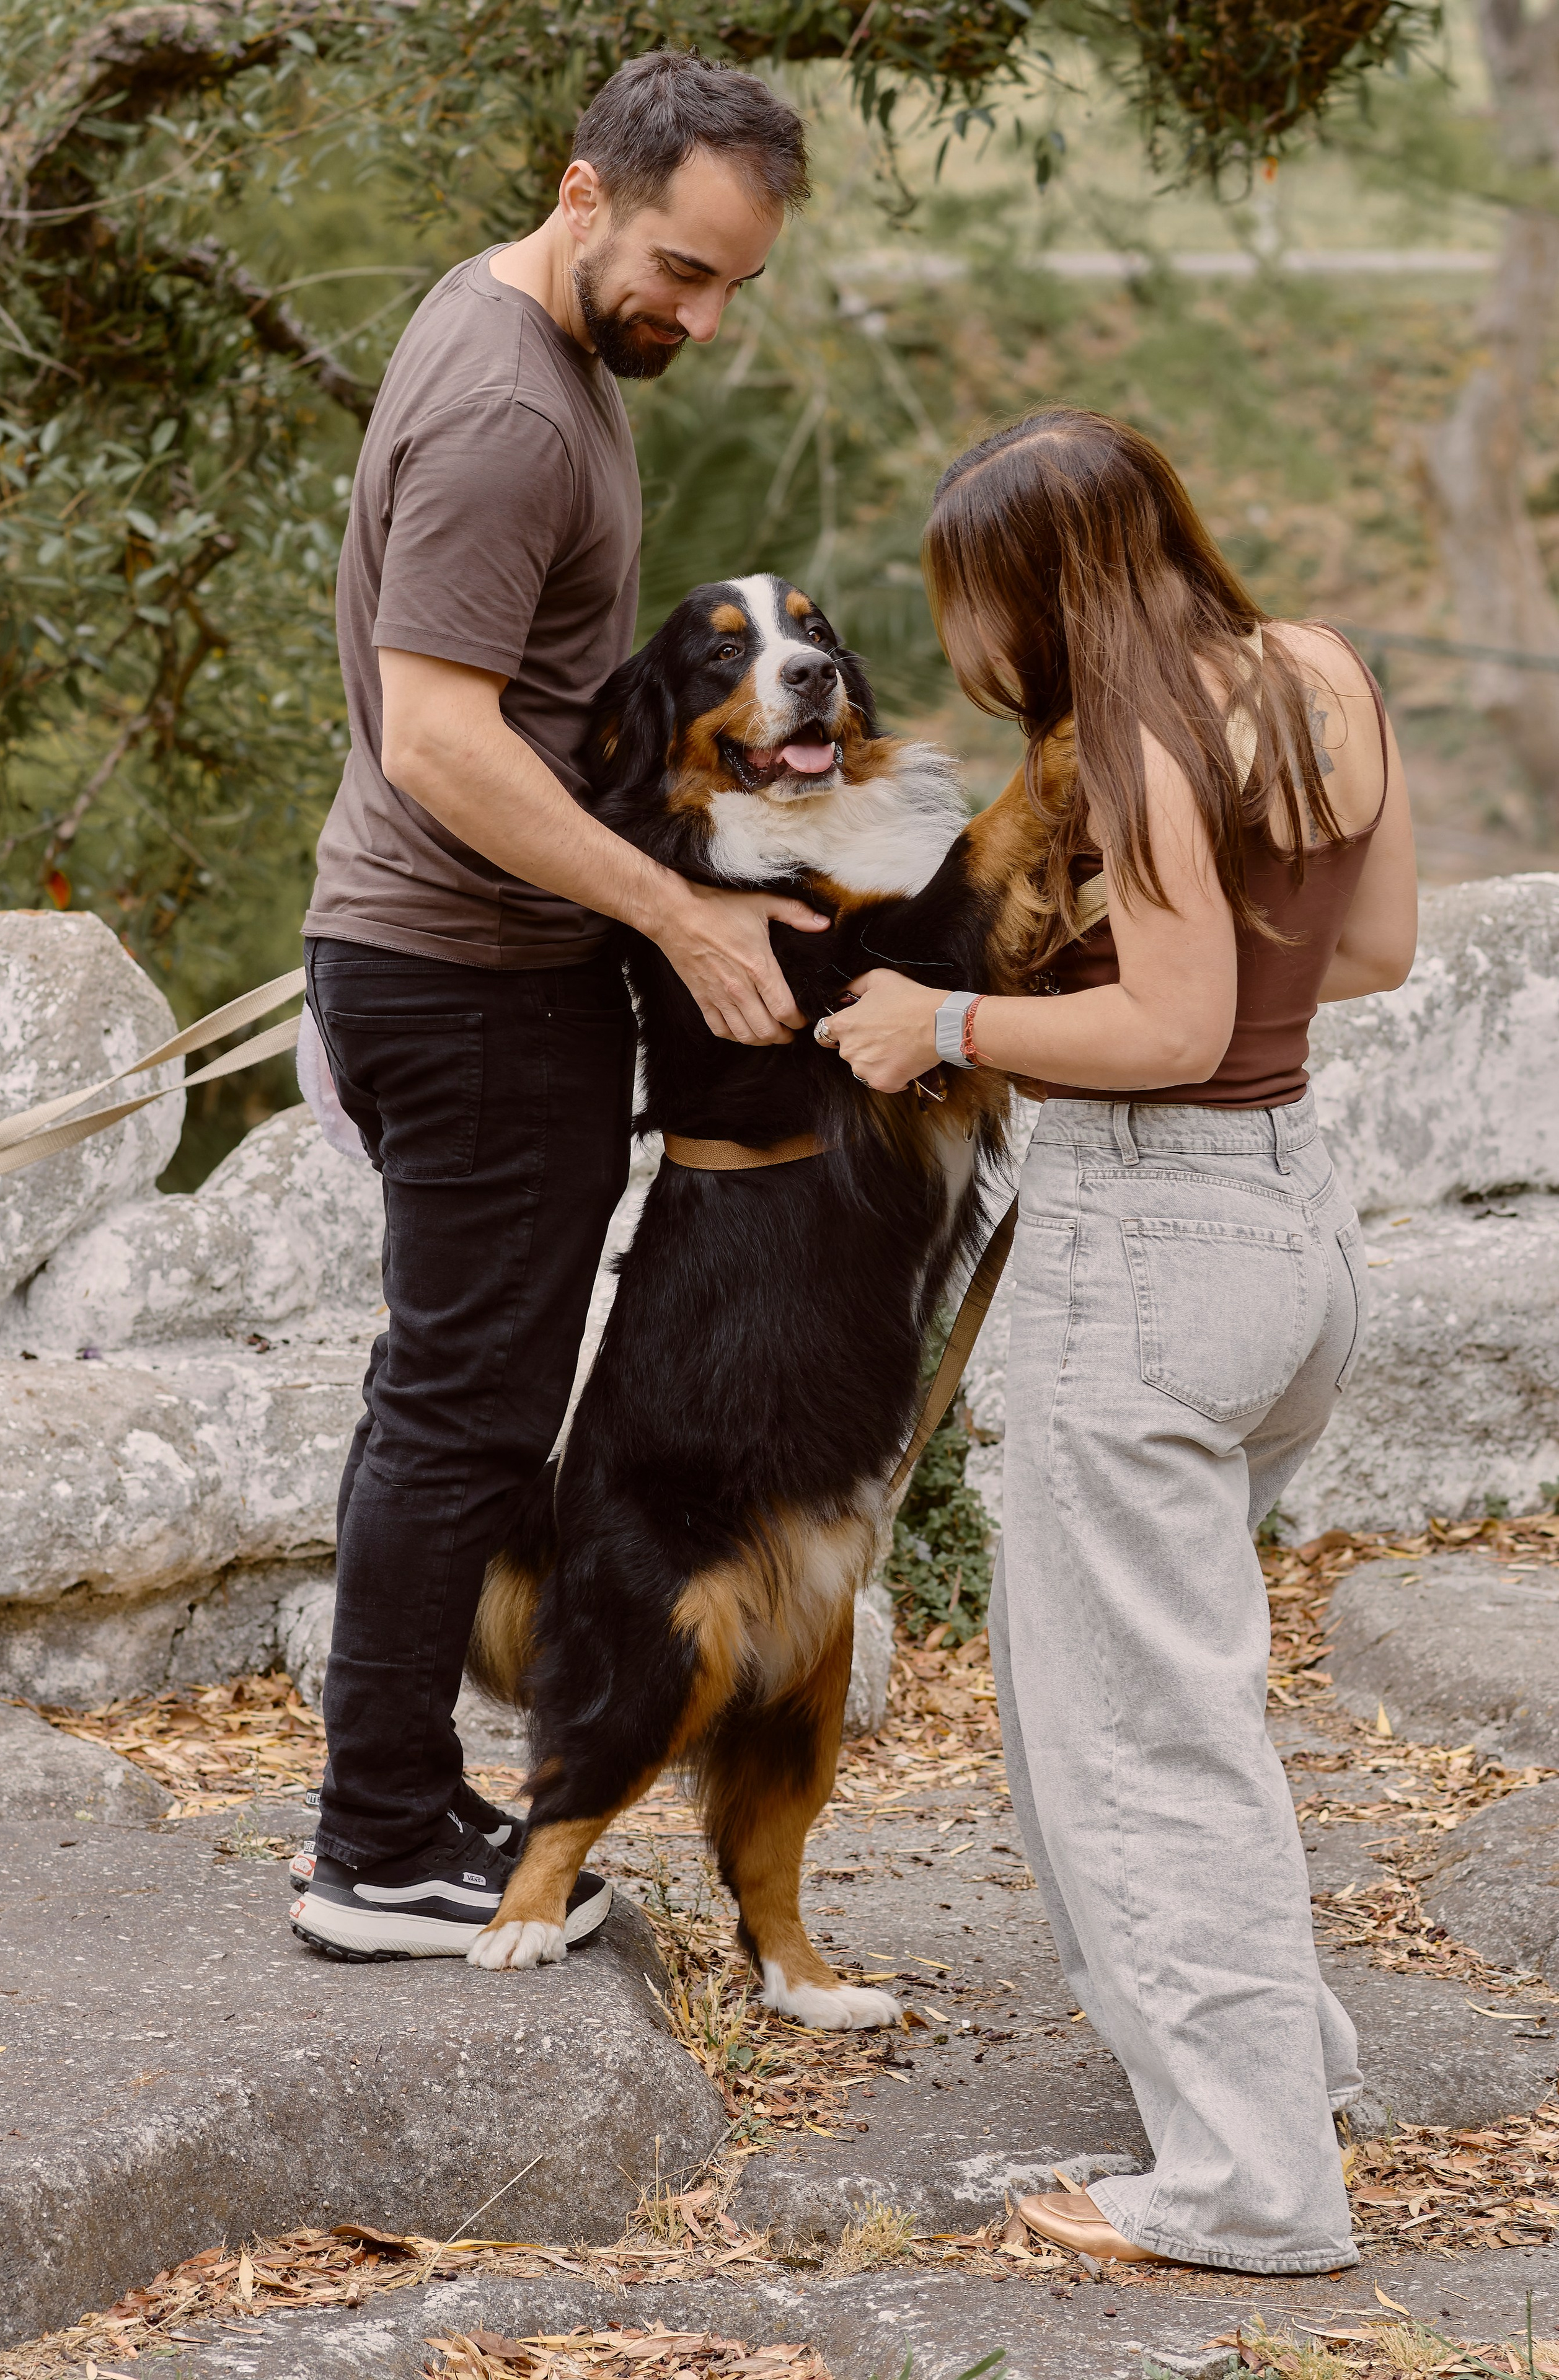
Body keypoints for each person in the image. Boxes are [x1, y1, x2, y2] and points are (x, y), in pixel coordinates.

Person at [819, 406, 1416, 2273]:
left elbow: (1168, 1030)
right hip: (1292, 1234)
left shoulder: (1142, 740)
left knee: (1142, 1737)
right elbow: (1376, 949)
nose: (978, 647)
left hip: (1149, 1248)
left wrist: (947, 1027)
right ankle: (1276, 2069)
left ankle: (1249, 2186)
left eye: (978, 601)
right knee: (1175, 1693)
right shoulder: (1316, 676)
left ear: (1037, 582)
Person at [291, 53, 828, 1965]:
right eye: (681, 268)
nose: (695, 314)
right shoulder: (514, 412)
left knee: (470, 1397)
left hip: (470, 971)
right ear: (582, 190)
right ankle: (372, 1850)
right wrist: (678, 917)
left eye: (729, 287)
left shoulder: (522, 325)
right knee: (461, 1412)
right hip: (467, 984)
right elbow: (442, 739)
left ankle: (408, 1797)